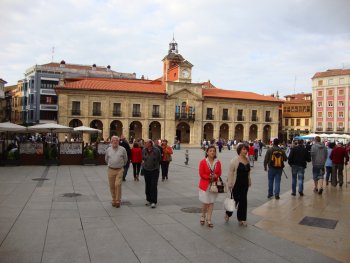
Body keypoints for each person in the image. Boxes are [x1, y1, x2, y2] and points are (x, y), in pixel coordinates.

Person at [227, 143, 251, 226]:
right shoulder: (234, 160)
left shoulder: (247, 160)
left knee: (243, 201)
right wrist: (230, 183)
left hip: (245, 184)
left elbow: (248, 173)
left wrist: (249, 181)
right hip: (236, 183)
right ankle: (228, 213)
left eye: (246, 149)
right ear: (239, 150)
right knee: (235, 200)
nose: (246, 151)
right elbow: (231, 173)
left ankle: (242, 219)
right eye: (244, 149)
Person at [198, 145, 222, 228]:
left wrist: (216, 175)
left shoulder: (218, 162)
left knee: (211, 202)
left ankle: (209, 219)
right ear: (207, 152)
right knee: (205, 202)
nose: (212, 152)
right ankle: (203, 215)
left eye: (214, 151)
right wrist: (209, 177)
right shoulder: (203, 162)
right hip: (205, 184)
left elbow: (220, 173)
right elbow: (201, 174)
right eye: (210, 151)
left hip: (214, 185)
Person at [105, 136, 128, 208]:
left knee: (117, 184)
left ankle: (118, 200)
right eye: (114, 140)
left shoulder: (122, 149)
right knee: (112, 185)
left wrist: (121, 165)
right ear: (111, 142)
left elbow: (125, 159)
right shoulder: (108, 149)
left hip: (119, 169)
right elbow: (106, 159)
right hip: (111, 169)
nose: (115, 142)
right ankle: (114, 199)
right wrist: (111, 164)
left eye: (116, 141)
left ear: (118, 142)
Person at [142, 139, 161, 208]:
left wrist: (156, 165)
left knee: (153, 185)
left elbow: (159, 158)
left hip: (155, 170)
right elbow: (143, 158)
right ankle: (149, 200)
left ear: (150, 143)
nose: (145, 144)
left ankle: (153, 201)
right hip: (146, 170)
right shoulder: (144, 150)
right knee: (148, 185)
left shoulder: (156, 150)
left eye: (146, 143)